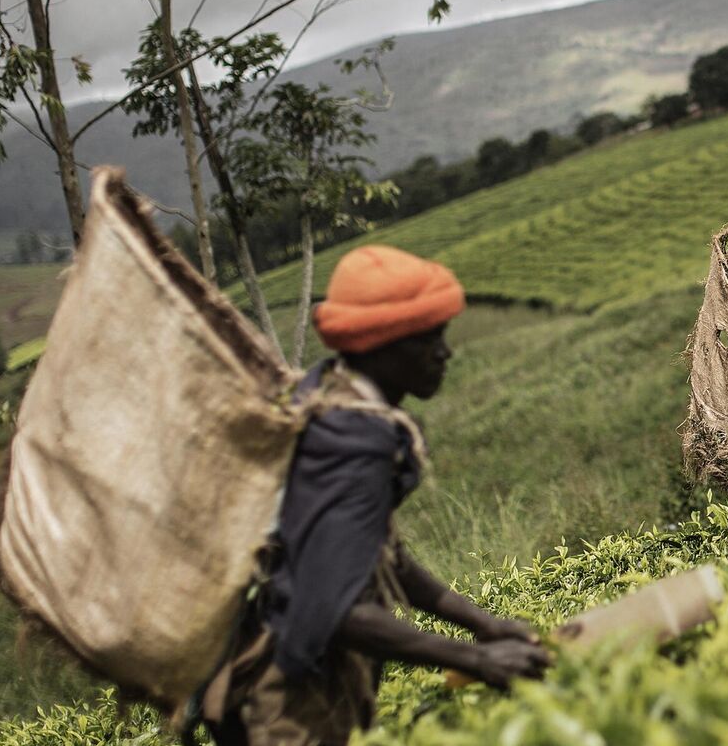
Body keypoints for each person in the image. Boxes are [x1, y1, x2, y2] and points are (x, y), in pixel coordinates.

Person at [204, 245, 550, 746]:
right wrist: (476, 659)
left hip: (282, 676)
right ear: (380, 345)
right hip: (285, 706)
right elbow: (335, 609)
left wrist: (484, 624)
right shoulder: (352, 440)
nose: (445, 352)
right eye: (427, 339)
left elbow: (381, 557)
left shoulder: (327, 393)